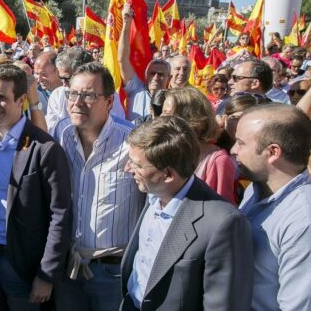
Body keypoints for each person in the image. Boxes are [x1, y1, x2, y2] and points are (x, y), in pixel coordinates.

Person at [121, 115, 253, 311]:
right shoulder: (155, 195)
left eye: (137, 165)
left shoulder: (223, 223)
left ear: (167, 175)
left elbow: (222, 305)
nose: (127, 169)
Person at [0, 65, 72, 310]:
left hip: (22, 266)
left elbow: (60, 216)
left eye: (1, 97)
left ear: (21, 100)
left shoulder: (45, 149)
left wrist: (46, 274)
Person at [55, 63, 144, 311]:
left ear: (109, 101)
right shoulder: (61, 136)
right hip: (70, 268)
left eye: (89, 95)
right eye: (72, 93)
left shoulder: (133, 143)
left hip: (114, 274)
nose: (77, 102)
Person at [231, 104, 311, 310]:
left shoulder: (303, 220)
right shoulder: (256, 189)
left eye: (241, 143)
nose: (233, 150)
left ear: (273, 152)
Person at [162, 87, 239, 204]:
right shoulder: (165, 151)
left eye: (167, 113)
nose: (160, 117)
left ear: (187, 118)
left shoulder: (218, 160)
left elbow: (222, 212)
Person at [120, 5, 172, 121]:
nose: (156, 77)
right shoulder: (136, 89)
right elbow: (122, 59)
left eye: (161, 74)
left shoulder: (173, 99)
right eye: (152, 73)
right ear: (146, 75)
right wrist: (126, 23)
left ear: (169, 78)